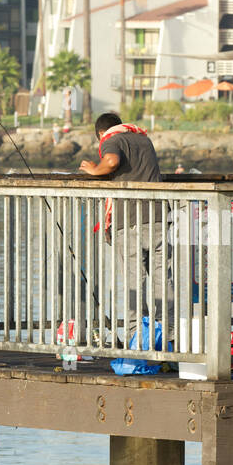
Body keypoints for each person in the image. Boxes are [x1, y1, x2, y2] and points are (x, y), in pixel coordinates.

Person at [80, 112, 173, 334]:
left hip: (130, 219)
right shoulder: (143, 139)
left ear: (101, 133)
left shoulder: (111, 140)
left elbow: (112, 161)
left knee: (134, 282)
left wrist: (94, 170)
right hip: (159, 216)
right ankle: (168, 334)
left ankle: (136, 336)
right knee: (162, 278)